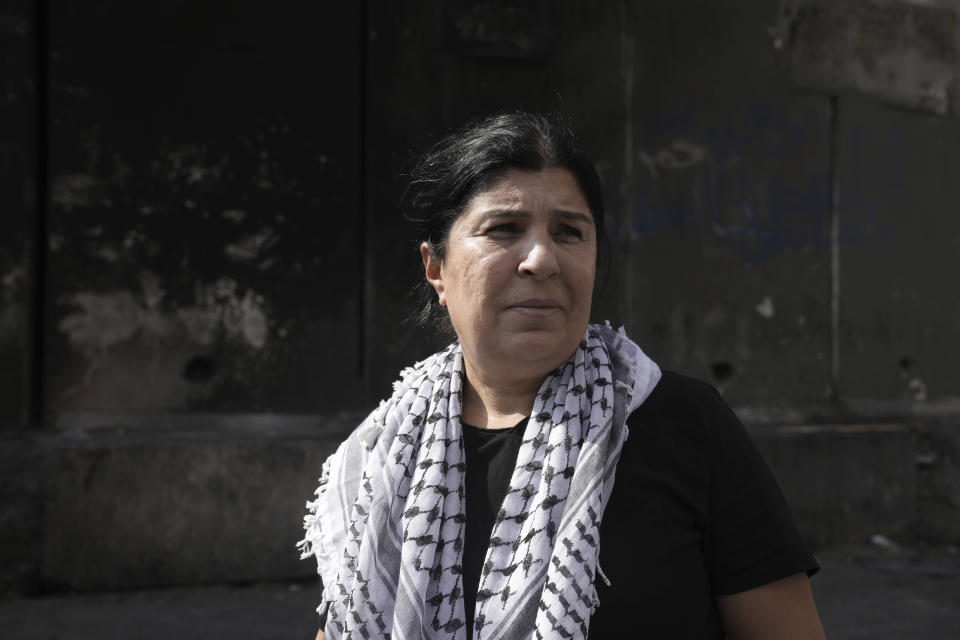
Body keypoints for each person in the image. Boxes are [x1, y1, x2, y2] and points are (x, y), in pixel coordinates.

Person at [300, 112, 825, 639]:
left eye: (569, 232)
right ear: (436, 268)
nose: (541, 259)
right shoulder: (383, 454)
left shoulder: (685, 424)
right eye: (503, 229)